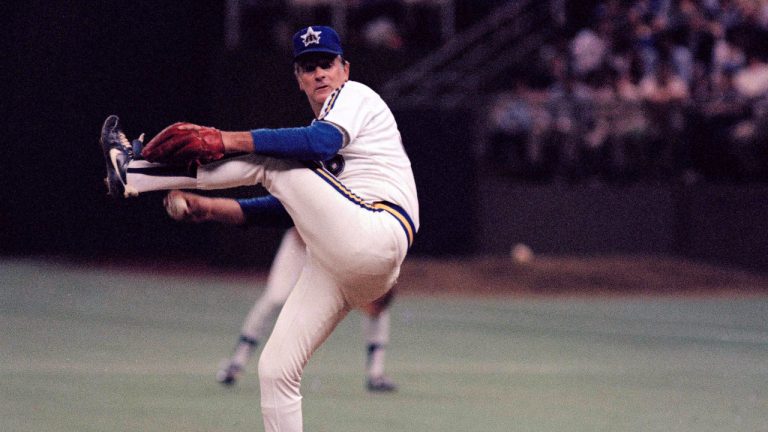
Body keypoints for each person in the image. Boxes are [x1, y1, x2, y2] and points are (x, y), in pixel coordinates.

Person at [99, 25, 418, 432]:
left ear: (345, 69)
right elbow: (287, 208)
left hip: (378, 228)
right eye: (308, 67)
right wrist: (212, 208)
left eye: (327, 64)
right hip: (346, 265)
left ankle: (135, 171)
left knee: (269, 159)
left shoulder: (355, 97)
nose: (319, 73)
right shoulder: (318, 149)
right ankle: (134, 171)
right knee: (275, 369)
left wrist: (228, 139)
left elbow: (315, 144)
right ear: (297, 79)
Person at [160, 190, 398, 392]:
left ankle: (375, 374)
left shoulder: (370, 206)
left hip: (337, 252)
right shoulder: (328, 183)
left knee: (376, 295)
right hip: (300, 245)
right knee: (276, 298)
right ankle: (236, 362)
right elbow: (300, 226)